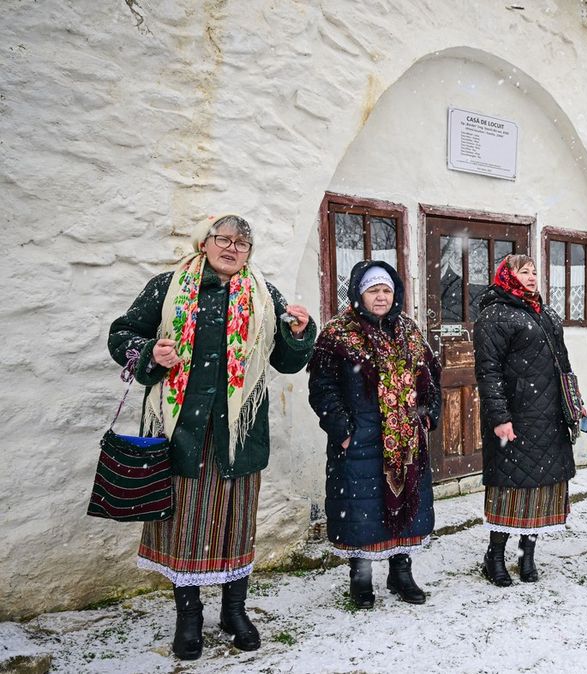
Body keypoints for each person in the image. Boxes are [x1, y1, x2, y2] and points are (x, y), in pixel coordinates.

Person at [107, 215, 315, 660]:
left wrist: (299, 335)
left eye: (242, 243)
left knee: (236, 525)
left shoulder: (263, 296)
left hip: (238, 435)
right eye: (224, 238)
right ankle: (189, 617)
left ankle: (234, 611)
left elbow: (287, 362)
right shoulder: (168, 287)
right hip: (181, 429)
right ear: (205, 243)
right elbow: (121, 335)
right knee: (184, 527)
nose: (232, 248)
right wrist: (150, 353)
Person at [307, 261, 442, 609]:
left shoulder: (409, 331)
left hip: (407, 443)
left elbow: (430, 375)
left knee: (407, 509)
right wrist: (343, 431)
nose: (381, 297)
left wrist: (426, 415)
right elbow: (322, 388)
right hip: (360, 440)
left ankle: (401, 573)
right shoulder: (338, 334)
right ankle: (361, 579)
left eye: (386, 290)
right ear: (358, 293)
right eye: (373, 290)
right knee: (361, 512)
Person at [473, 254, 578, 586]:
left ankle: (527, 556)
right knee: (510, 488)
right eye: (523, 271)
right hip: (516, 417)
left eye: (534, 271)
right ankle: (495, 557)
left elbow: (563, 363)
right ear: (507, 276)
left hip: (549, 416)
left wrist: (573, 403)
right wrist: (500, 417)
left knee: (542, 489)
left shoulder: (544, 312)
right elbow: (488, 373)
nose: (532, 276)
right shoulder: (494, 315)